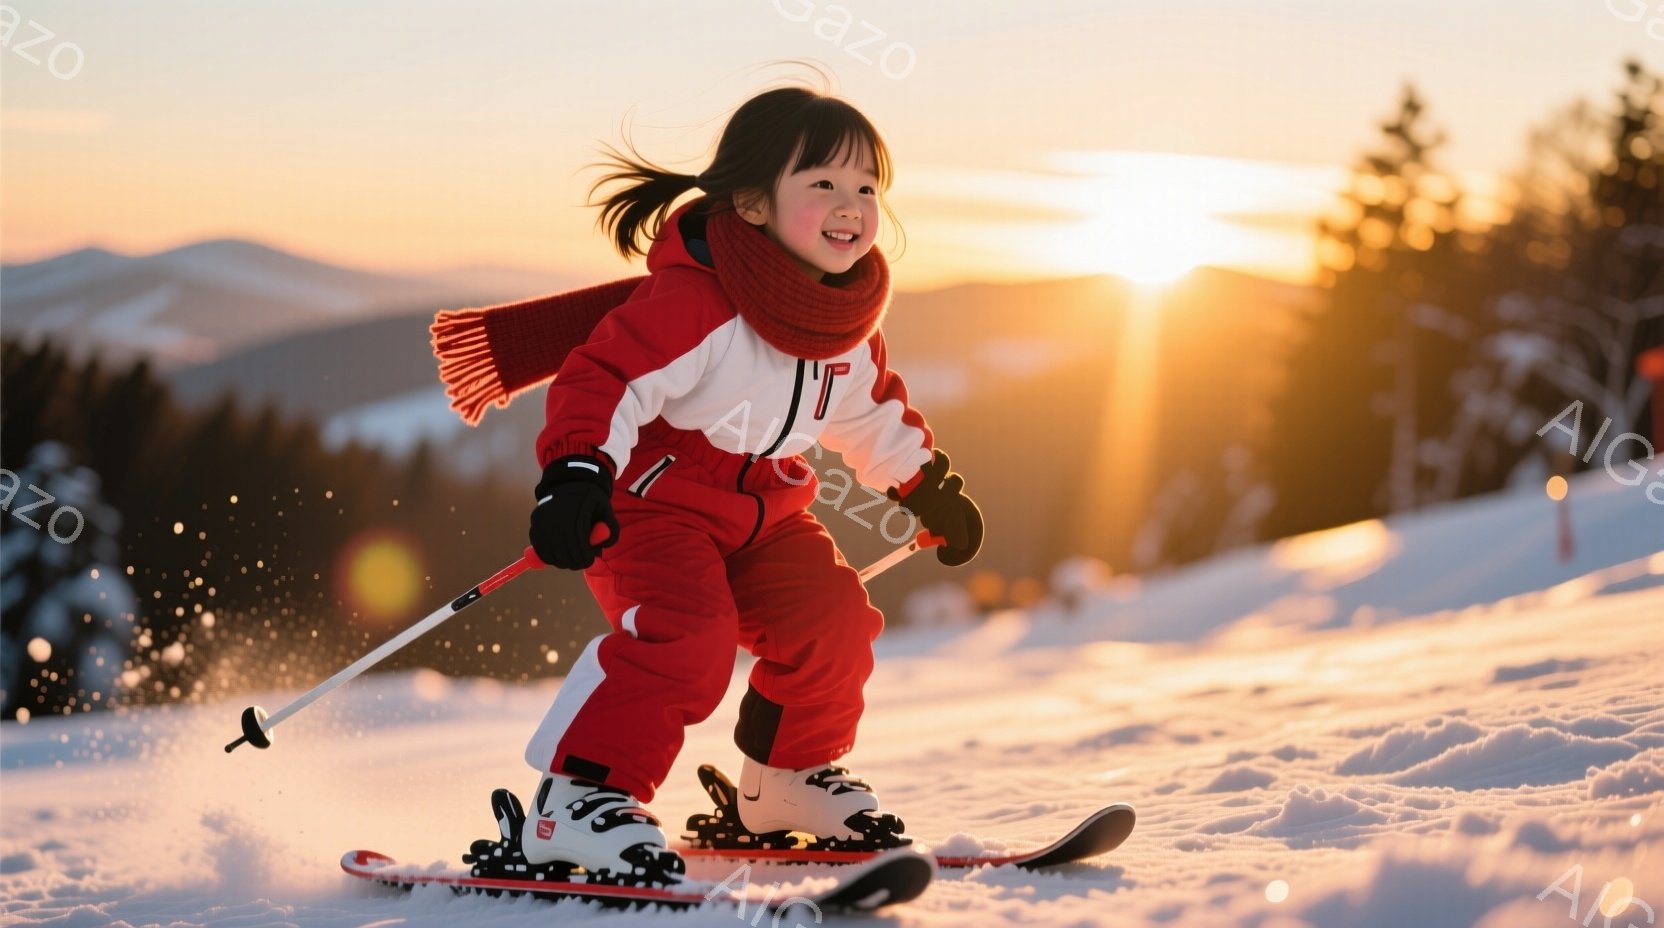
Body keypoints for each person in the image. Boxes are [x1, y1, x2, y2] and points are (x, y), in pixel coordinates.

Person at [435, 85, 984, 885]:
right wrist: (579, 469)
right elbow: (608, 377)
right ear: (754, 204)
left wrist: (924, 486)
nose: (851, 206)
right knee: (686, 638)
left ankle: (784, 784)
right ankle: (577, 800)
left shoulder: (843, 320)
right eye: (823, 183)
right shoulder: (698, 303)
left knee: (831, 619)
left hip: (765, 508)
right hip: (650, 504)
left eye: (866, 187)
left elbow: (867, 412)